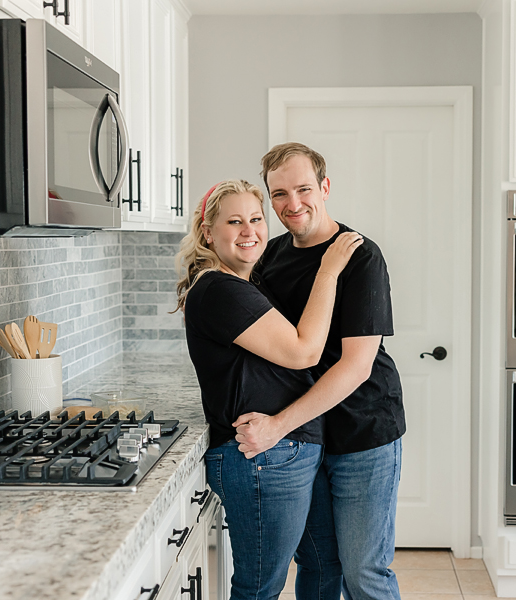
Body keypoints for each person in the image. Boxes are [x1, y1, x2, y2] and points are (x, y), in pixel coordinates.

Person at [174, 179, 363, 600]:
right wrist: (329, 269)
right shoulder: (220, 289)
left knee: (323, 563)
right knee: (259, 588)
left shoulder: (244, 283)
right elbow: (303, 351)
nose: (249, 231)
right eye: (234, 222)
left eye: (256, 219)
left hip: (285, 452)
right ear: (208, 232)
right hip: (263, 459)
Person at [233, 143, 406, 600]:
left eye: (304, 189)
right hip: (304, 441)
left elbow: (357, 366)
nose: (292, 204)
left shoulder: (360, 256)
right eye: (279, 194)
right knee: (317, 563)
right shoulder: (269, 256)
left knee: (364, 572)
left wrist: (277, 426)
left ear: (325, 187)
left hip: (362, 431)